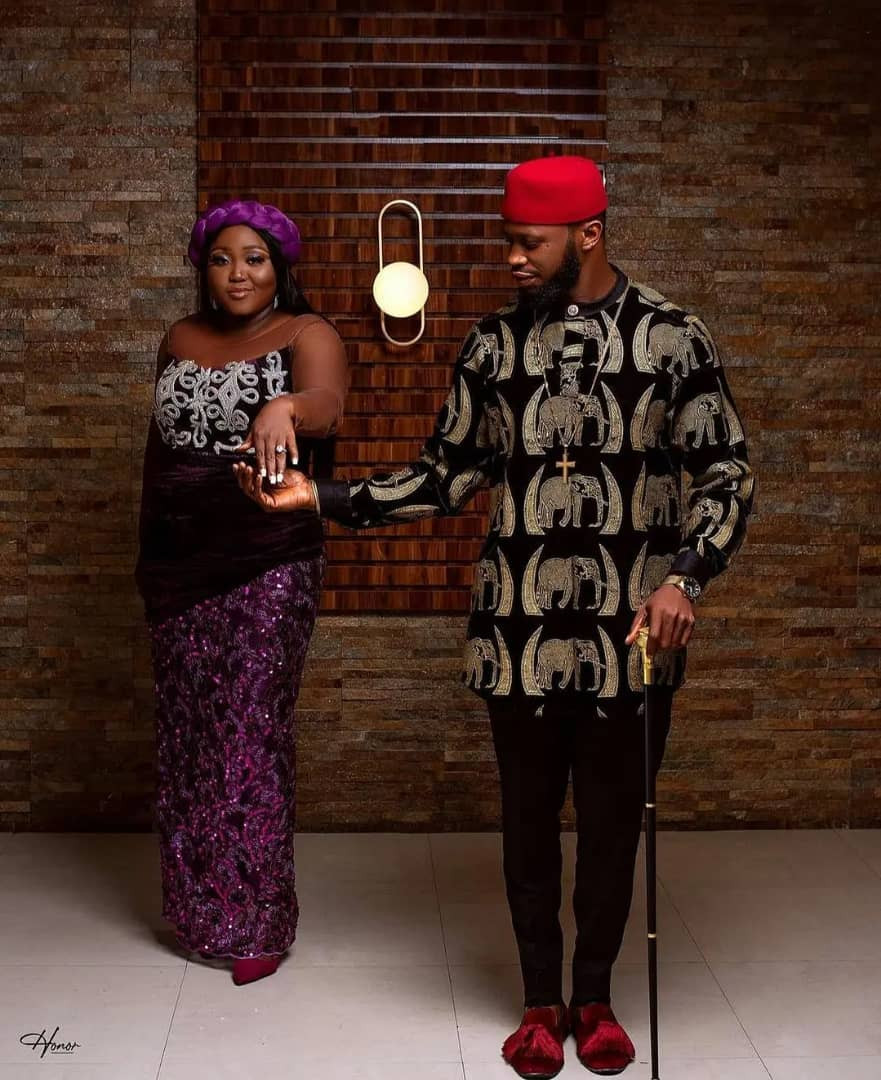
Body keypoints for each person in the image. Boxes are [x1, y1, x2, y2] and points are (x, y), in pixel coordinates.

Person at [233, 157, 754, 1074]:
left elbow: (727, 473)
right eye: (508, 241)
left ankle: (594, 997)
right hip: (516, 633)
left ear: (588, 234)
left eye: (528, 243)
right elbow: (445, 476)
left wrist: (686, 578)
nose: (511, 258)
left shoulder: (674, 337)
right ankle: (538, 1000)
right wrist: (321, 497)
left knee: (610, 827)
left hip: (632, 636)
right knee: (526, 825)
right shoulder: (491, 347)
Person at [135, 199, 347, 987]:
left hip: (268, 556)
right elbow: (157, 453)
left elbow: (326, 407)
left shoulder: (306, 332)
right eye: (221, 259)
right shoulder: (179, 338)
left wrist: (285, 404)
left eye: (253, 258)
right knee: (187, 737)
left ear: (278, 266)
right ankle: (199, 912)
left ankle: (257, 921)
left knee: (248, 732)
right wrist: (151, 556)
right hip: (177, 559)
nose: (237, 274)